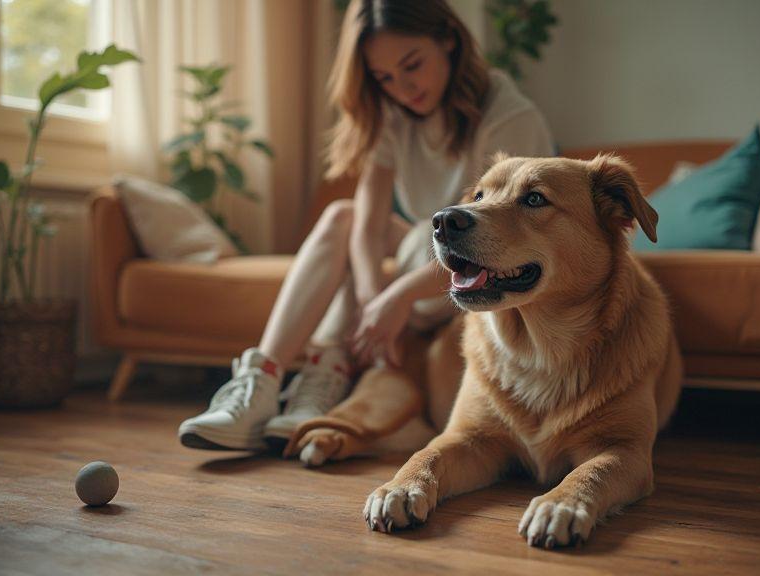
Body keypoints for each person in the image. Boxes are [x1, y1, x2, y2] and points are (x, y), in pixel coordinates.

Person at [178, 0, 554, 451]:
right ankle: (262, 381)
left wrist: (395, 296)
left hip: (486, 268)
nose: (402, 87)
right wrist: (373, 301)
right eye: (384, 78)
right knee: (343, 216)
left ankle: (327, 371)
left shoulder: (510, 117)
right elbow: (367, 225)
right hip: (426, 255)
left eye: (411, 64)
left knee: (418, 237)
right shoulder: (395, 116)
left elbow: (501, 242)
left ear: (449, 40)